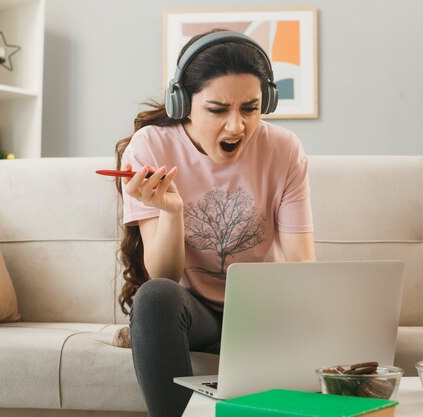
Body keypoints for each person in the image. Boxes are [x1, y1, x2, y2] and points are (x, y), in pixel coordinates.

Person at [115, 29, 316, 417]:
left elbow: (302, 266)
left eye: (250, 108)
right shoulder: (151, 146)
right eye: (218, 109)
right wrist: (173, 211)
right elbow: (164, 275)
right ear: (183, 103)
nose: (237, 127)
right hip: (195, 314)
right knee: (154, 296)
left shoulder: (284, 150)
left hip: (262, 309)